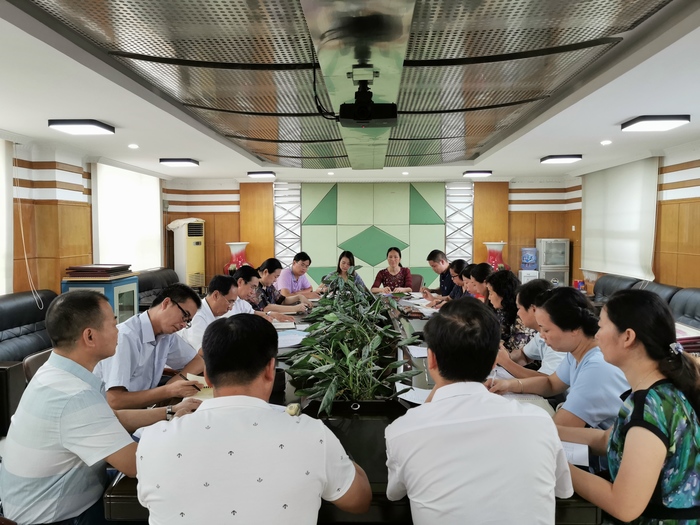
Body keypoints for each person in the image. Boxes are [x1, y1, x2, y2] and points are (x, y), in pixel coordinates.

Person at [137, 314, 372, 524]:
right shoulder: (312, 435)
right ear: (271, 369)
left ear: (206, 374)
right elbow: (360, 502)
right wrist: (331, 445)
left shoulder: (153, 439)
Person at [0, 290, 199, 525]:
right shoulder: (74, 395)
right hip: (59, 517)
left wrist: (169, 412)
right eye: (113, 324)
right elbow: (134, 464)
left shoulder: (55, 373)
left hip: (56, 498)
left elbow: (110, 417)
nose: (119, 330)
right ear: (90, 336)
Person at [385, 298, 572, 525]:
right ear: (494, 361)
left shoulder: (402, 432)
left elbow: (395, 494)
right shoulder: (540, 422)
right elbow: (563, 491)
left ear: (431, 358)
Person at [560, 289, 700, 523]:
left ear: (627, 337)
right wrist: (548, 430)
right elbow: (608, 439)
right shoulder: (656, 391)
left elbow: (624, 505)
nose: (597, 335)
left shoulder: (650, 407)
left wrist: (556, 464)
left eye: (601, 326)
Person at [490, 287, 629, 429]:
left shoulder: (596, 367)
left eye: (546, 330)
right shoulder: (576, 353)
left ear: (574, 328)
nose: (541, 335)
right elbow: (551, 383)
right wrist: (509, 385)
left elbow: (559, 426)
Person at [94, 283, 205, 409]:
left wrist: (174, 383)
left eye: (188, 321)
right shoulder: (126, 337)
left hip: (143, 409)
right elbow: (114, 401)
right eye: (184, 316)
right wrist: (169, 390)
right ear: (166, 303)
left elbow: (198, 362)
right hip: (112, 415)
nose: (183, 325)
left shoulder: (167, 336)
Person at [496, 279, 566, 379]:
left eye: (519, 308)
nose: (518, 313)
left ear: (533, 309)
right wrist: (504, 356)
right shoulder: (541, 334)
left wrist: (506, 362)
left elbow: (546, 381)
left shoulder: (558, 337)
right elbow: (523, 355)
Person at [179, 274, 238, 354]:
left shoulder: (216, 313)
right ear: (216, 295)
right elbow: (202, 351)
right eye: (230, 302)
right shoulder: (197, 315)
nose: (230, 308)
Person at [485, 269, 533, 352]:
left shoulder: (522, 314)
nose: (489, 298)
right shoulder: (501, 310)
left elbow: (516, 348)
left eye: (491, 293)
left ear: (502, 294)